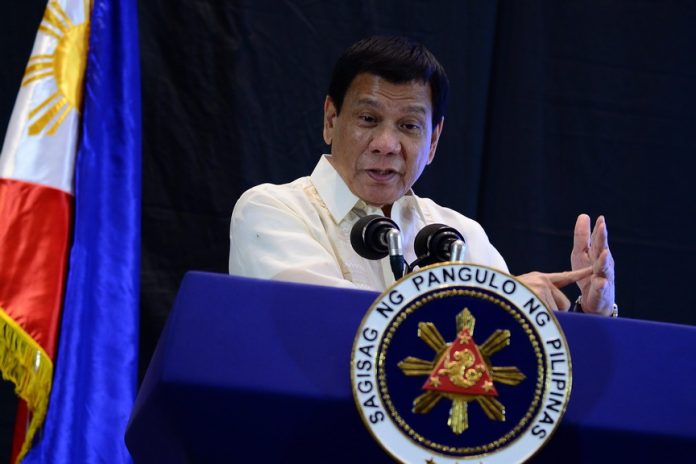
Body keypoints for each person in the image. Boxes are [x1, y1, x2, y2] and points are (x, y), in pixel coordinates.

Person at [229, 36, 615, 317]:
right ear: (331, 120)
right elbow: (322, 321)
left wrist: (587, 318)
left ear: (433, 142)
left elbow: (511, 357)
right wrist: (494, 300)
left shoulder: (462, 234)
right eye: (368, 119)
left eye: (409, 126)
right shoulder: (271, 210)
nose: (385, 143)